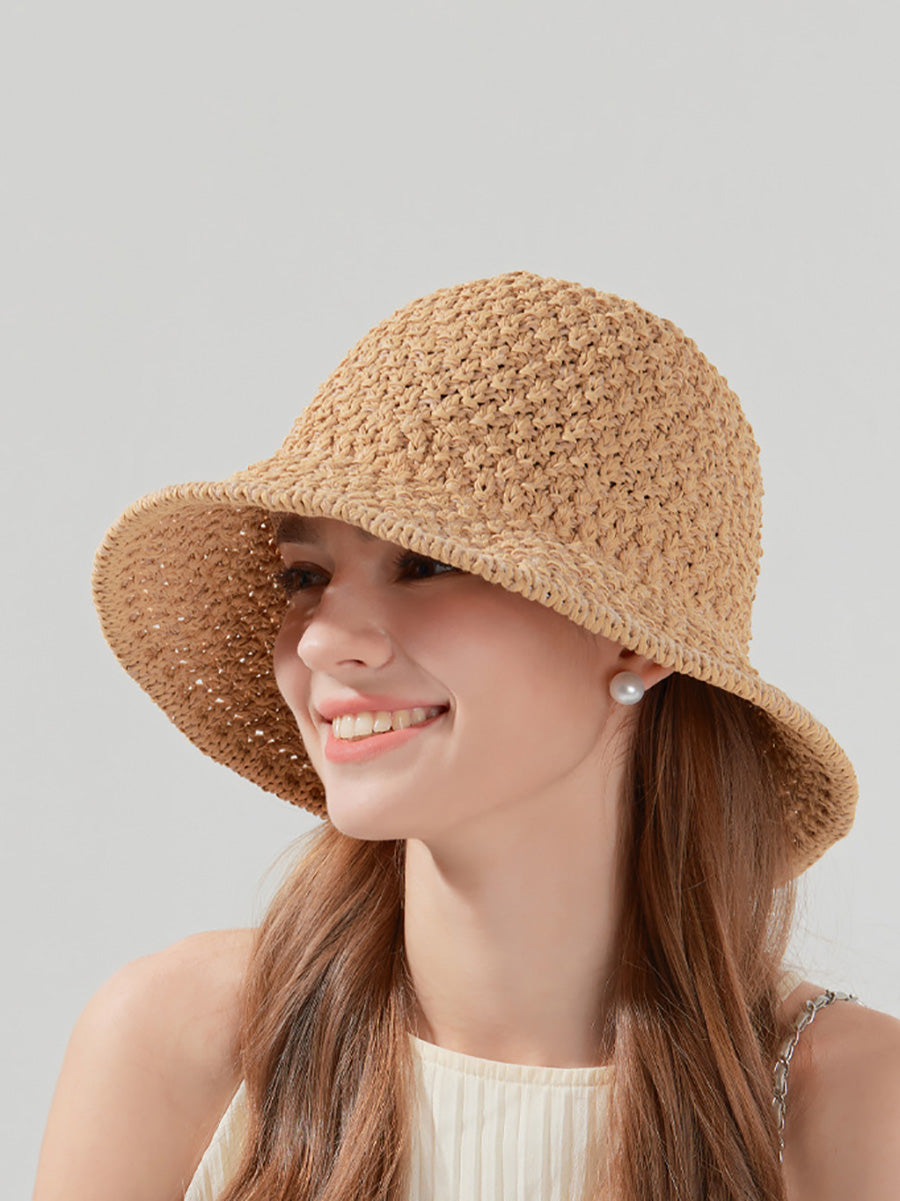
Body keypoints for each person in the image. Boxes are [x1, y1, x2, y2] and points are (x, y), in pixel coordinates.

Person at [33, 272, 900, 1201]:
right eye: (305, 576)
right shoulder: (183, 1044)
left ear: (637, 638)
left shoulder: (854, 1104)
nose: (321, 640)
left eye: (424, 563)